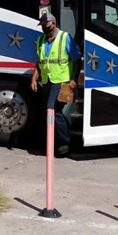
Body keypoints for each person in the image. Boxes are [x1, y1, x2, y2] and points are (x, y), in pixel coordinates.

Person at [30, 13, 82, 156]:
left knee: (51, 110)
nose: (43, 29)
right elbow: (40, 63)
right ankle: (56, 142)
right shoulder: (41, 40)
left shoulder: (65, 38)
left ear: (54, 23)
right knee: (51, 112)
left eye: (45, 25)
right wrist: (34, 79)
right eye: (42, 26)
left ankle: (64, 143)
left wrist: (74, 79)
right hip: (47, 81)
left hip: (61, 81)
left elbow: (77, 60)